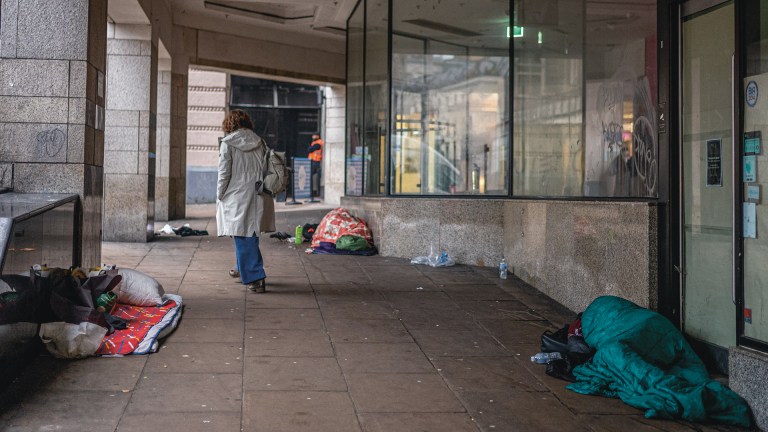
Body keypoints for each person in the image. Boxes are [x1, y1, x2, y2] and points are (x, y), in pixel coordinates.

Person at [217, 109, 275, 293]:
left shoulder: (228, 143)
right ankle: (242, 266)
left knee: (242, 233)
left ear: (229, 124)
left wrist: (219, 193)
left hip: (235, 192)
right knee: (248, 230)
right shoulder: (260, 142)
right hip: (256, 189)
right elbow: (266, 169)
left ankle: (255, 276)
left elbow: (224, 172)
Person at [307, 132, 324, 196]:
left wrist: (310, 147)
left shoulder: (318, 143)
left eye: (314, 135)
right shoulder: (315, 143)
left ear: (317, 136)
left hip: (315, 162)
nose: (313, 137)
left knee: (312, 177)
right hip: (313, 162)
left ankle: (314, 192)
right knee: (313, 177)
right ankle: (313, 192)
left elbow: (310, 149)